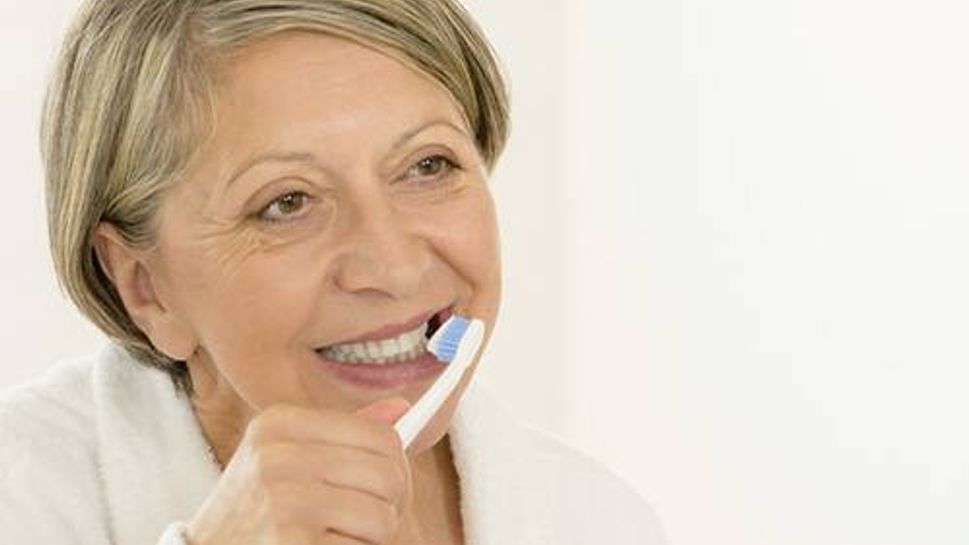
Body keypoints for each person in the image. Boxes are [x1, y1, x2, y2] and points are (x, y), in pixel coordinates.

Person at [0, 0, 665, 543]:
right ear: (145, 287)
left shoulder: (598, 518)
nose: (395, 267)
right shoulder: (23, 495)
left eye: (428, 166)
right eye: (285, 203)